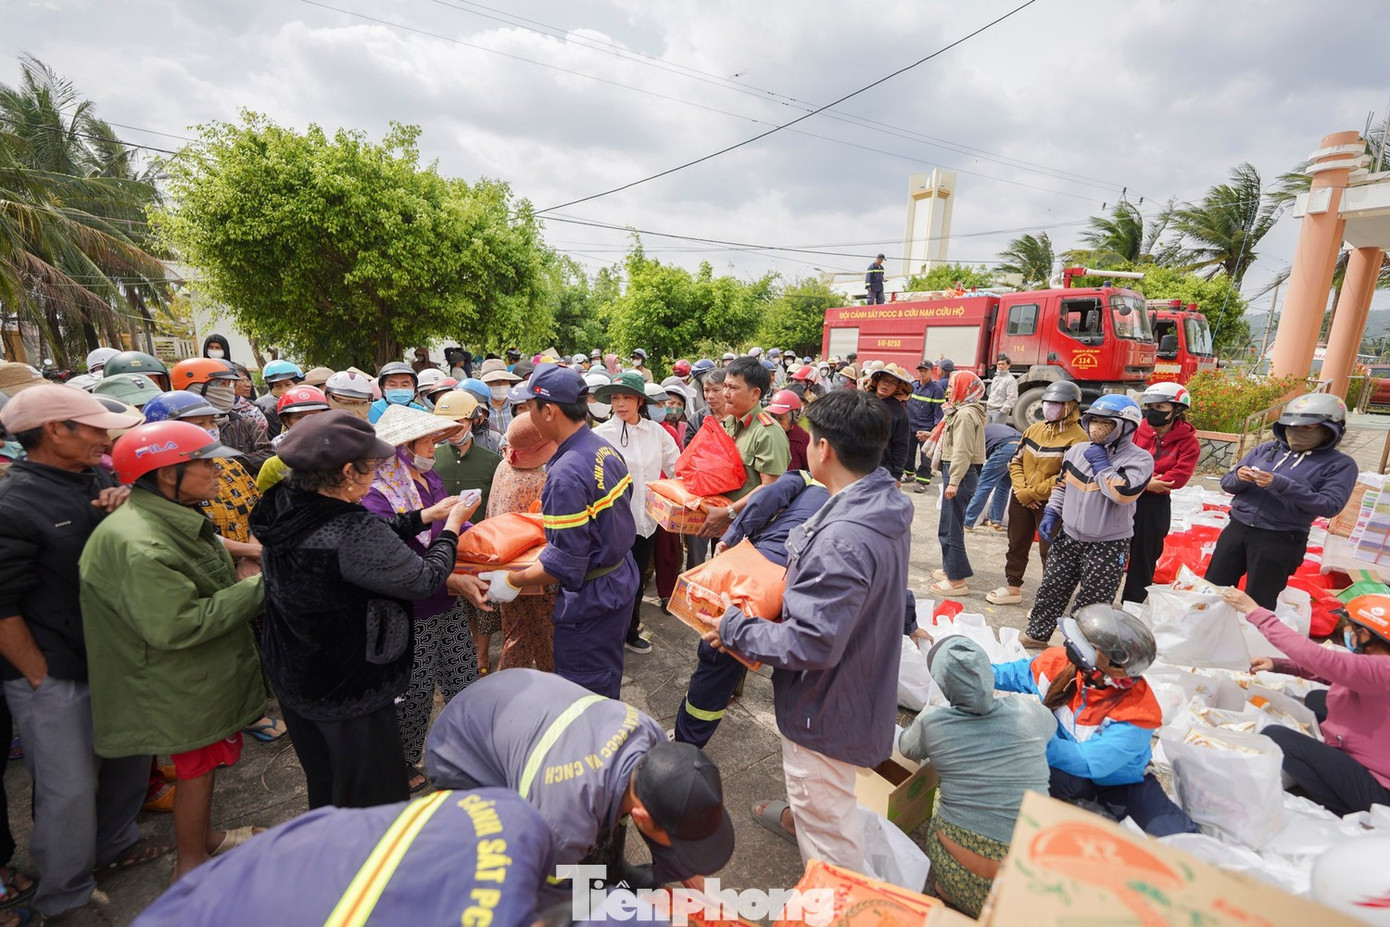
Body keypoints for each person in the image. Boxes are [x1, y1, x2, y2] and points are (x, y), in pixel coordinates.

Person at [707, 389, 911, 873]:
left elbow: (811, 642)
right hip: (858, 680)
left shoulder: (843, 537)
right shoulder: (881, 502)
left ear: (826, 450)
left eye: (812, 439)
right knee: (827, 800)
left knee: (830, 845)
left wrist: (735, 626)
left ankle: (835, 901)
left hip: (827, 707)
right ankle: (805, 818)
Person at [249, 411, 485, 809]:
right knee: (372, 795)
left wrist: (424, 516)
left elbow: (363, 543)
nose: (377, 474)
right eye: (371, 467)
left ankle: (338, 853)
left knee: (328, 784)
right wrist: (451, 528)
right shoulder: (350, 528)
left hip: (298, 675)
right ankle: (371, 863)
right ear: (345, 472)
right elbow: (424, 578)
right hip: (348, 687)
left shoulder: (288, 504)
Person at [0, 386, 164, 922]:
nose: (103, 435)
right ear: (54, 431)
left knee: (130, 757)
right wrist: (39, 677)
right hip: (55, 670)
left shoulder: (96, 476)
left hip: (115, 656)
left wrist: (123, 505)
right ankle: (65, 898)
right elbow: (2, 608)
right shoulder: (15, 504)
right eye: (90, 427)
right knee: (67, 787)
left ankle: (115, 844)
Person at [81, 421, 266, 880]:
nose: (218, 472)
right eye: (205, 464)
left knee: (201, 768)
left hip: (187, 675)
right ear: (168, 475)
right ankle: (192, 867)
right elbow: (180, 624)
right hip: (174, 680)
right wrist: (261, 585)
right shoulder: (141, 542)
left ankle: (202, 841)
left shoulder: (163, 514)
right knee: (196, 770)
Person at [425, 669, 734, 889]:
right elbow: (547, 901)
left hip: (511, 701)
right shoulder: (561, 823)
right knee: (537, 882)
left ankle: (609, 874)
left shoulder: (651, 734)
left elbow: (661, 804)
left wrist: (702, 900)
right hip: (461, 754)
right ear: (641, 816)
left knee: (600, 840)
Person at [133, 788, 555, 927]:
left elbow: (562, 884)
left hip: (242, 882)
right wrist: (611, 893)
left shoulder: (516, 815)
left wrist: (613, 890)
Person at [486, 365, 639, 699]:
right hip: (620, 577)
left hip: (593, 594)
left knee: (584, 690)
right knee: (607, 673)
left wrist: (511, 581)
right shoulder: (602, 447)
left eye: (529, 408)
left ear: (550, 411)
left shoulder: (566, 472)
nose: (528, 414)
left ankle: (592, 744)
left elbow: (563, 564)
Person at [993, 605, 1198, 837]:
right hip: (1067, 775)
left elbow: (1091, 762)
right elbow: (1010, 674)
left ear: (1114, 664)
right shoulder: (1059, 664)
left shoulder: (1138, 711)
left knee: (1177, 838)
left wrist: (1027, 737)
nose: (1070, 644)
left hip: (1122, 784)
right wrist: (970, 670)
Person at [363, 405, 480, 792]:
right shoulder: (377, 497)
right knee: (414, 693)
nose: (434, 448)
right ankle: (402, 760)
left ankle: (469, 745)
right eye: (428, 441)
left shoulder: (429, 480)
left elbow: (451, 529)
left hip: (445, 603)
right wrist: (453, 580)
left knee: (462, 678)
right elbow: (400, 562)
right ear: (402, 447)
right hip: (410, 612)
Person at [897, 636, 1053, 917]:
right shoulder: (1030, 712)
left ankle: (948, 891)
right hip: (1025, 880)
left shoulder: (933, 722)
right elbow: (1050, 727)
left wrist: (930, 714)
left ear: (945, 686)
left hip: (958, 867)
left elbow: (907, 747)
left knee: (939, 790)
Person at [674, 469, 829, 748]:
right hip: (808, 591)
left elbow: (767, 498)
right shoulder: (865, 506)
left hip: (765, 570)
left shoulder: (807, 478)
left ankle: (686, 743)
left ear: (824, 448)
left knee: (717, 651)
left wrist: (731, 536)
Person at [1224, 589, 1390, 816]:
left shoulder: (1383, 669)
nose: (1348, 632)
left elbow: (1319, 658)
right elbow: (1332, 671)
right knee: (1316, 700)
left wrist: (1254, 611)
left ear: (1371, 635)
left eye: (1354, 629)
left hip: (1380, 792)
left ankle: (1340, 807)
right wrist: (1280, 665)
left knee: (1278, 736)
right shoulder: (1375, 664)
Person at [1206, 393, 1357, 609]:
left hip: (1280, 539)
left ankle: (1252, 640)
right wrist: (1239, 477)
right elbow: (1227, 483)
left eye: (1307, 428)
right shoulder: (1266, 449)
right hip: (1237, 529)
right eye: (1292, 426)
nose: (1297, 432)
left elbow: (1330, 505)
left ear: (1329, 429)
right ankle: (1206, 636)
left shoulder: (1340, 464)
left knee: (1259, 603)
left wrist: (1281, 484)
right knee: (1213, 591)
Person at [1024, 395, 1151, 649]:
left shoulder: (1140, 460)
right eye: (1093, 421)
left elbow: (1122, 494)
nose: (1096, 427)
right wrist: (1052, 512)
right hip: (1069, 536)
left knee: (1094, 601)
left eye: (1107, 423)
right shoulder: (1077, 451)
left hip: (1108, 543)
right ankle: (1037, 634)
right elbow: (1062, 485)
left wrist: (1102, 465)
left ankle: (1079, 646)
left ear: (1126, 427)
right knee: (1052, 587)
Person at [595, 372, 680, 656]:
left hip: (646, 522)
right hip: (612, 524)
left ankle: (631, 630)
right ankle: (608, 635)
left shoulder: (657, 433)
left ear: (640, 400)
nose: (620, 403)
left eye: (626, 397)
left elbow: (677, 466)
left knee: (637, 580)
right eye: (615, 397)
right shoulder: (599, 435)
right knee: (610, 580)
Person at [988, 380, 1086, 607]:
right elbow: (1016, 460)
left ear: (1072, 405)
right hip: (1021, 498)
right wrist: (1022, 490)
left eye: (1057, 403)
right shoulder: (1034, 429)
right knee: (1016, 543)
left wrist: (1032, 493)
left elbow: (1066, 476)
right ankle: (1013, 587)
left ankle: (1050, 600)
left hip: (1052, 504)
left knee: (1050, 551)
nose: (1050, 407)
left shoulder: (1079, 438)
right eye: (1048, 402)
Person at [487, 413, 558, 673]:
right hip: (534, 575)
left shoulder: (503, 467)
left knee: (516, 636)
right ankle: (556, 696)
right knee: (548, 642)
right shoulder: (541, 481)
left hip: (502, 570)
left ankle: (508, 692)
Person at [696, 358, 790, 542]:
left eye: (733, 388)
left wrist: (728, 512)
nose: (725, 394)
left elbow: (770, 487)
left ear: (755, 394)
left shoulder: (767, 432)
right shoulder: (727, 424)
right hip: (723, 524)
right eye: (725, 386)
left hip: (752, 530)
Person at [1122, 382, 1200, 603]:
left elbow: (1178, 477)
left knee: (1144, 558)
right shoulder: (1137, 430)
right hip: (1125, 497)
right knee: (1111, 551)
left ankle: (1132, 606)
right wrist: (1146, 483)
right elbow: (1122, 462)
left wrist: (1143, 480)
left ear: (1176, 410)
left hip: (1154, 506)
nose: (1152, 412)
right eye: (1150, 406)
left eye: (1160, 407)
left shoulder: (1188, 442)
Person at [933, 371, 987, 597]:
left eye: (953, 385)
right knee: (949, 526)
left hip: (960, 475)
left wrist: (953, 481)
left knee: (951, 528)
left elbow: (962, 451)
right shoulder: (963, 411)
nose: (948, 390)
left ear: (965, 388)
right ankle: (951, 569)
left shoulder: (965, 415)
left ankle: (956, 581)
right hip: (960, 473)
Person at [172, 357, 273, 474]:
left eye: (229, 384)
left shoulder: (245, 422)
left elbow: (268, 454)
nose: (229, 390)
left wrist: (229, 462)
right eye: (222, 383)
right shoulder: (180, 427)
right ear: (196, 388)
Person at [431, 390, 501, 515]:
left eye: (458, 422)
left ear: (473, 421)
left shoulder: (493, 461)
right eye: (447, 423)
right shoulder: (431, 458)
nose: (452, 429)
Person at [964, 422, 1022, 530]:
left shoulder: (977, 433)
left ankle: (967, 522)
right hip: (1021, 449)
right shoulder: (994, 428)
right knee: (1004, 486)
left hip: (1005, 448)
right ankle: (995, 521)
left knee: (984, 485)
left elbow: (977, 459)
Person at [905, 360, 944, 492]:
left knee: (925, 457)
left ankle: (922, 481)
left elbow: (939, 412)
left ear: (931, 372)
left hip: (925, 429)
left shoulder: (937, 390)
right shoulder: (912, 387)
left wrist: (934, 429)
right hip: (910, 426)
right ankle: (909, 474)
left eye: (924, 370)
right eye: (920, 370)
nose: (921, 373)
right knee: (908, 453)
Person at [254, 360, 305, 439]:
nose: (283, 390)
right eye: (277, 386)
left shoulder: (309, 403)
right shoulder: (268, 410)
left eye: (287, 384)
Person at [477, 358, 521, 437]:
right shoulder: (479, 409)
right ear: (485, 384)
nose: (500, 385)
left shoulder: (518, 404)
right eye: (494, 381)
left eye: (504, 380)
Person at [766, 389, 809, 471]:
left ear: (794, 417)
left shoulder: (803, 440)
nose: (776, 423)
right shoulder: (766, 435)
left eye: (780, 419)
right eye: (773, 418)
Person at [985, 354, 1018, 425]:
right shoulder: (995, 378)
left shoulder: (1010, 380)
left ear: (1008, 365)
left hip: (999, 411)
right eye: (999, 364)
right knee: (987, 433)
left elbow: (1012, 397)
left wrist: (1002, 411)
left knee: (996, 433)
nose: (1000, 366)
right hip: (989, 410)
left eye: (1003, 364)